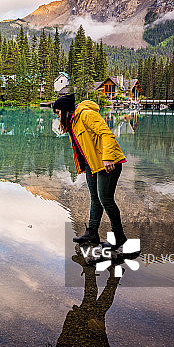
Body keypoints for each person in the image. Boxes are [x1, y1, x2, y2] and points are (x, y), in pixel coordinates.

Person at [52, 93, 127, 249]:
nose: (58, 117)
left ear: (65, 110)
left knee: (105, 199)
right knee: (95, 198)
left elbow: (107, 134)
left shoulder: (87, 114)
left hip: (108, 162)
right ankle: (92, 233)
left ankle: (119, 237)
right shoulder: (73, 120)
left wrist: (108, 158)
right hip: (92, 164)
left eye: (58, 113)